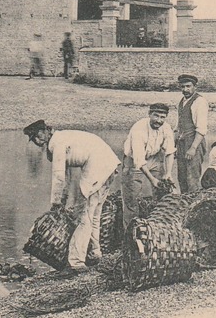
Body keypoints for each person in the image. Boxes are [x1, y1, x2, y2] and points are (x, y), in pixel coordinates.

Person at [22, 119, 120, 272]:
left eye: (39, 134)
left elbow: (59, 176)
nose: (37, 139)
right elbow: (66, 176)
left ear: (47, 131)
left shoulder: (57, 143)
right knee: (94, 214)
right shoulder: (61, 138)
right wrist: (62, 200)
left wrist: (55, 203)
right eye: (34, 137)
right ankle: (95, 253)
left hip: (98, 165)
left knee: (84, 216)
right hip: (108, 164)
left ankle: (76, 262)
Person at [121, 102, 176, 222]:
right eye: (156, 116)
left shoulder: (166, 128)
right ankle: (130, 231)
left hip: (154, 158)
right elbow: (139, 160)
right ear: (149, 114)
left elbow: (170, 152)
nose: (159, 120)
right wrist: (152, 179)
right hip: (133, 161)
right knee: (132, 198)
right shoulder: (139, 129)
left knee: (162, 190)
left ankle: (157, 225)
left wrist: (168, 173)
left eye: (162, 117)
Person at [175, 73, 208, 196]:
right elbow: (179, 125)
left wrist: (193, 148)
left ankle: (193, 205)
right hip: (182, 142)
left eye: (188, 86)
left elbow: (201, 129)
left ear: (195, 87)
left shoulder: (200, 101)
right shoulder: (182, 101)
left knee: (192, 177)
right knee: (181, 176)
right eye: (182, 87)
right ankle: (184, 203)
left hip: (194, 142)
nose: (185, 90)